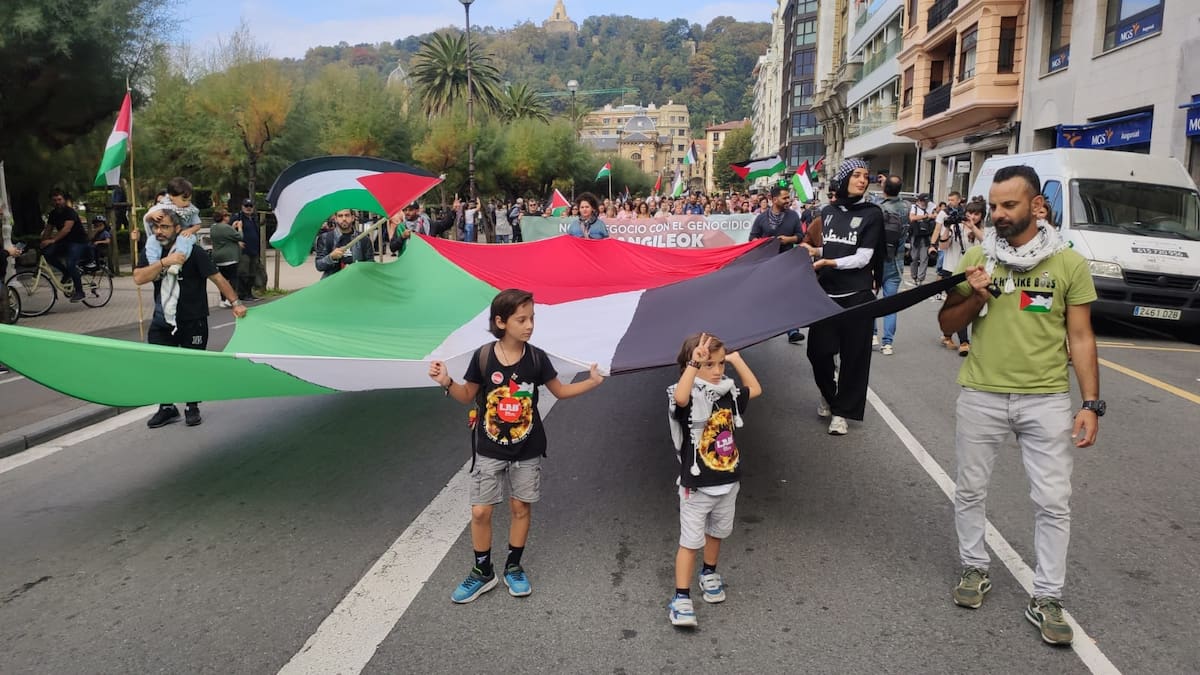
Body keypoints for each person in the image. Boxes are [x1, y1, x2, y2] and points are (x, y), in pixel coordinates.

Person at [939, 164, 1100, 646]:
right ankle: (974, 567)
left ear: (1037, 206)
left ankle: (1047, 595)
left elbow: (1081, 336)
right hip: (982, 394)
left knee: (1053, 501)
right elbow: (948, 323)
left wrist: (1090, 403)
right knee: (969, 489)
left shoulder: (1068, 263)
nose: (998, 215)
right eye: (993, 206)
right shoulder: (977, 255)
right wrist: (977, 296)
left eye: (1008, 205)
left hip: (1046, 399)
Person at [427, 288, 605, 603]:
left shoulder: (537, 358)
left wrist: (591, 381)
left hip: (527, 446)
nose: (529, 325)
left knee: (520, 506)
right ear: (501, 321)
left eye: (532, 318)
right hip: (489, 446)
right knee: (480, 511)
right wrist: (447, 382)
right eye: (521, 319)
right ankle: (483, 571)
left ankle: (513, 566)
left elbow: (560, 391)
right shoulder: (483, 357)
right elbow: (467, 395)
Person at [665, 333, 761, 628]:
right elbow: (681, 396)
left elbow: (755, 389)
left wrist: (736, 359)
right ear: (691, 367)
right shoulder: (686, 397)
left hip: (728, 481)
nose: (718, 371)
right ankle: (681, 598)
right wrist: (695, 362)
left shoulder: (727, 394)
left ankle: (708, 573)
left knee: (717, 533)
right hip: (697, 487)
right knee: (690, 541)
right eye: (711, 365)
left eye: (721, 364)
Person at [134, 207, 248, 428]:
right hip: (163, 319)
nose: (159, 231)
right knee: (160, 365)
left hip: (193, 319)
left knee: (192, 365)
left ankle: (191, 406)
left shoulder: (193, 252)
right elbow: (139, 278)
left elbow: (217, 278)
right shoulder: (153, 252)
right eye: (156, 227)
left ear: (177, 228)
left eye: (165, 227)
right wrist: (164, 263)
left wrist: (236, 302)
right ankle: (166, 407)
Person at [800, 158, 885, 436]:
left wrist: (829, 263)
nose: (863, 180)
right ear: (845, 178)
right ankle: (829, 394)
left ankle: (841, 413)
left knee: (854, 358)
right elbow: (836, 248)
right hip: (827, 295)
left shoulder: (873, 214)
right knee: (818, 352)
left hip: (858, 296)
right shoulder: (829, 211)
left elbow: (863, 258)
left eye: (866, 176)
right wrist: (818, 253)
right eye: (857, 175)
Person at [749, 184, 806, 343]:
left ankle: (792, 330)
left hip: (787, 261)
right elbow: (752, 238)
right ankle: (762, 328)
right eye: (785, 198)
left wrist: (789, 239)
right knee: (767, 296)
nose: (788, 200)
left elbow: (800, 236)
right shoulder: (761, 218)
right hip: (766, 263)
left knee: (788, 295)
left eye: (789, 197)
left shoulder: (793, 216)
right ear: (774, 200)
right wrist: (763, 242)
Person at [937, 198, 985, 355]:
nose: (972, 216)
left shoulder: (985, 230)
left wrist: (972, 227)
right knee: (961, 305)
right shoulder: (956, 227)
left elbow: (986, 244)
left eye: (976, 214)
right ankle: (964, 341)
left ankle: (947, 333)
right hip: (952, 271)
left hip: (973, 273)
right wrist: (947, 227)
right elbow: (943, 246)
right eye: (970, 213)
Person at [874, 176, 909, 355]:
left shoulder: (878, 207)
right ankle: (888, 343)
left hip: (878, 261)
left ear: (884, 188)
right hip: (896, 262)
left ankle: (872, 334)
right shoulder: (906, 207)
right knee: (891, 303)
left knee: (871, 299)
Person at [41, 189, 89, 302]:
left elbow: (66, 229)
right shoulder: (53, 214)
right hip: (64, 242)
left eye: (59, 199)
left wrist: (52, 240)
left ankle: (79, 291)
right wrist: (43, 241)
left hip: (78, 242)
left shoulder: (70, 212)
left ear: (64, 200)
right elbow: (48, 229)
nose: (57, 202)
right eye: (55, 200)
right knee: (47, 254)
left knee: (71, 263)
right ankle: (66, 272)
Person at [315, 209, 378, 278]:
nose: (344, 218)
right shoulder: (325, 238)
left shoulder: (363, 238)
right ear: (335, 219)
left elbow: (370, 264)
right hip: (333, 284)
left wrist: (357, 267)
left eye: (347, 215)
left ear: (353, 218)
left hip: (356, 282)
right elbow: (319, 265)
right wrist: (331, 257)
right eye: (340, 216)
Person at [208, 209, 243, 308]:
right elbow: (239, 236)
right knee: (233, 279)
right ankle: (230, 299)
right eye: (227, 215)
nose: (229, 217)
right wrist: (239, 228)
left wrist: (232, 227)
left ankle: (223, 299)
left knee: (222, 280)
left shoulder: (213, 227)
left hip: (218, 257)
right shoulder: (226, 227)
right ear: (223, 217)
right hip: (230, 257)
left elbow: (225, 236)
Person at [231, 198, 261, 301]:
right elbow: (230, 231)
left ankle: (249, 293)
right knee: (243, 272)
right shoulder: (237, 217)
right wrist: (237, 241)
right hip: (243, 251)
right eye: (246, 206)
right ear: (242, 207)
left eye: (250, 206)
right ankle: (242, 294)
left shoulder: (254, 218)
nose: (248, 208)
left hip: (254, 249)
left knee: (252, 272)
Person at [908, 193, 935, 284]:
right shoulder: (914, 207)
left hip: (926, 235)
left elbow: (936, 214)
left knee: (924, 257)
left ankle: (921, 278)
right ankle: (914, 276)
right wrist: (926, 216)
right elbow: (912, 218)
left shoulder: (931, 207)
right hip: (916, 235)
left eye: (926, 201)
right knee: (914, 257)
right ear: (919, 200)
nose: (924, 203)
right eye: (923, 201)